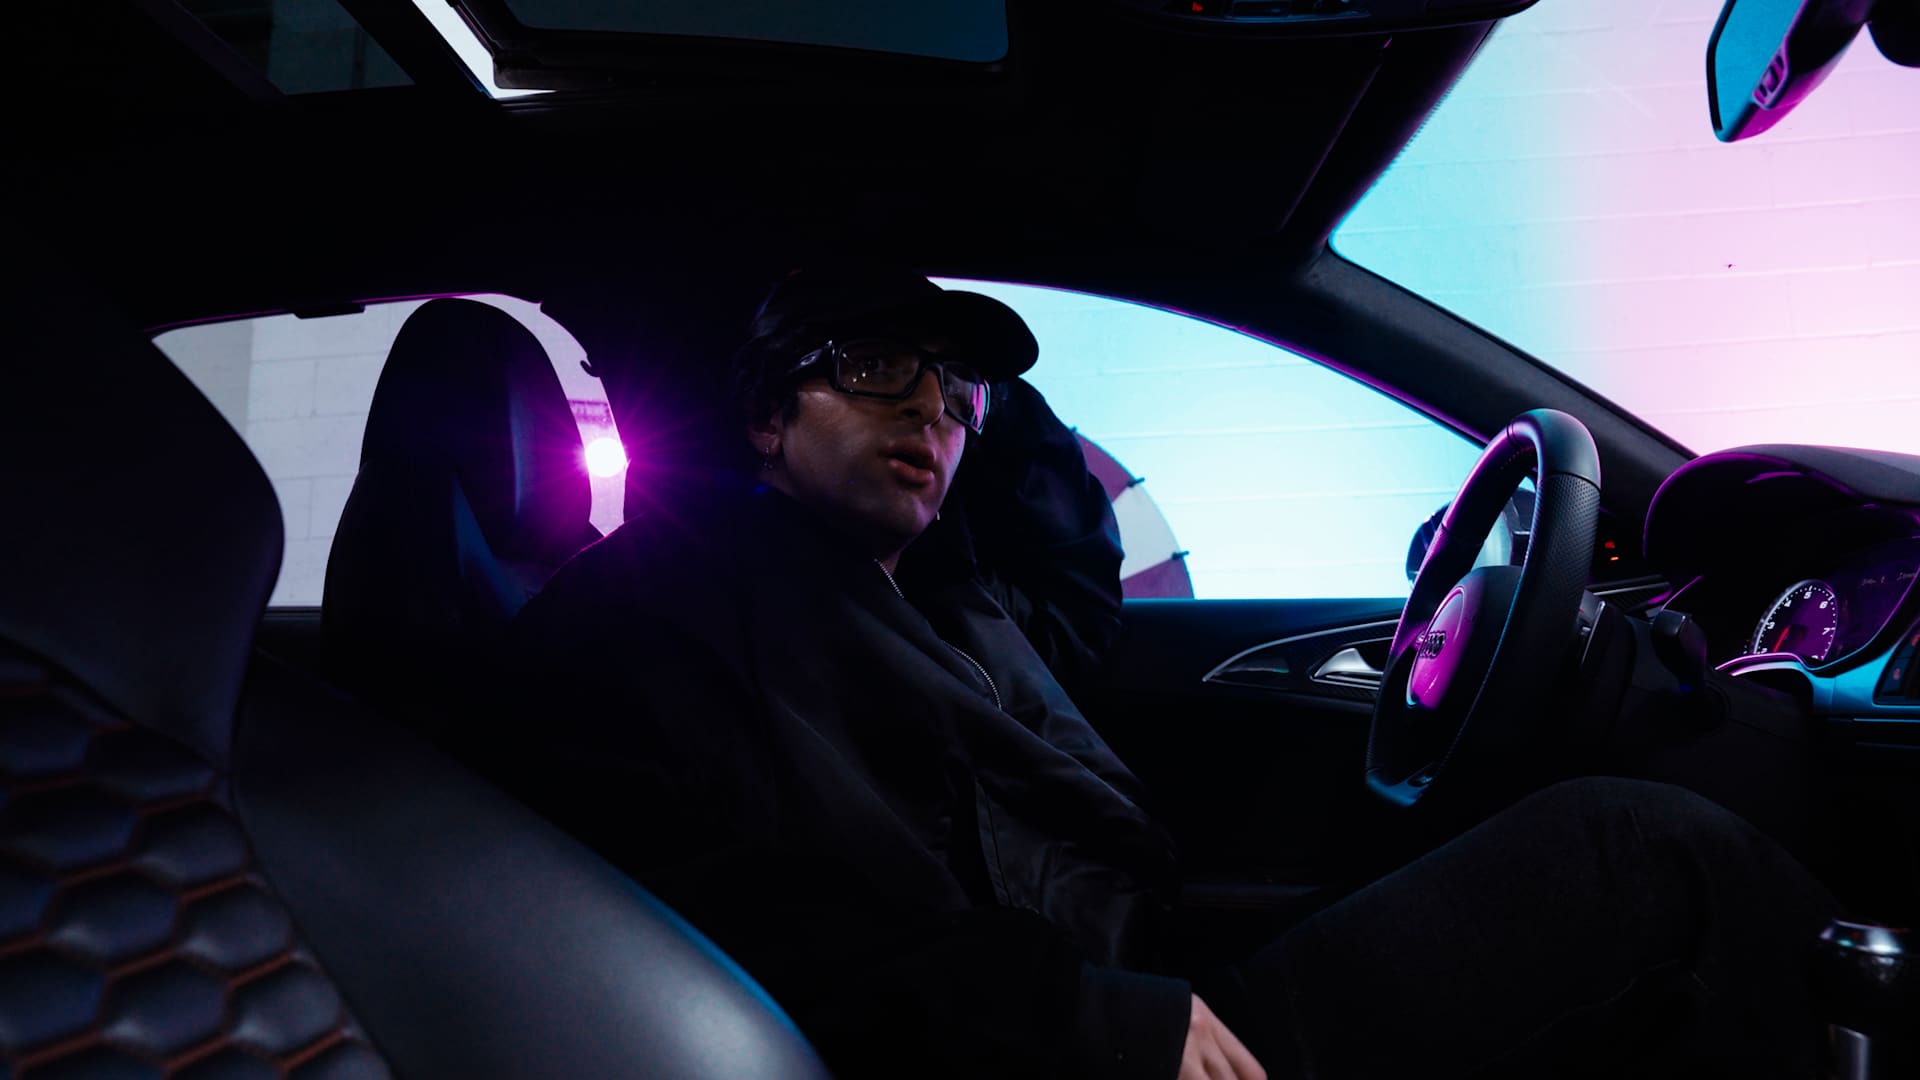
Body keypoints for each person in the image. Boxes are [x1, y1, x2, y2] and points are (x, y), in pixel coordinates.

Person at [490, 263, 1837, 1079]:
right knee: (1644, 856)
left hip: (1144, 978)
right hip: (1071, 1048)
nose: (928, 413)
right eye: (881, 369)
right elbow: (714, 924)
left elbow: (1079, 595)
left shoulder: (939, 598)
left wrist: (985, 381)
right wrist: (1082, 1020)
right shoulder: (656, 611)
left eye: (951, 394)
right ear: (766, 414)